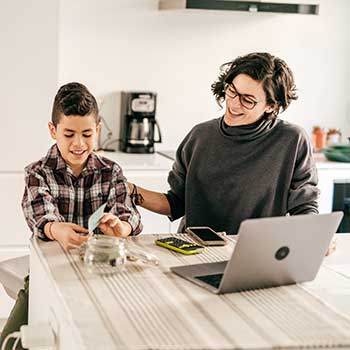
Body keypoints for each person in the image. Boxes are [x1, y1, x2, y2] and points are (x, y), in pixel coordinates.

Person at [0, 82, 142, 349]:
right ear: (53, 131)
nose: (78, 143)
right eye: (69, 134)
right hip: (48, 275)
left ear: (98, 130)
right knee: (10, 343)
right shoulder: (38, 173)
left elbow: (128, 214)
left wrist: (121, 227)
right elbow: (40, 214)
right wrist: (56, 230)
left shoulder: (111, 172)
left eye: (87, 133)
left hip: (101, 273)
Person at [129, 52, 319, 235]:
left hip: (256, 250)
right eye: (232, 91)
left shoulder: (291, 140)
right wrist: (131, 190)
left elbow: (304, 207)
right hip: (195, 248)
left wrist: (316, 235)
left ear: (271, 105)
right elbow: (176, 202)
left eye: (248, 100)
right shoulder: (199, 136)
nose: (234, 104)